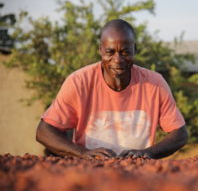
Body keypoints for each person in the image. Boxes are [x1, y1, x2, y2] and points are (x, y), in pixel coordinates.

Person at [36, 19, 188, 159]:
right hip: (90, 173)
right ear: (101, 50)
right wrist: (82, 153)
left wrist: (147, 153)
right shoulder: (79, 82)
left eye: (125, 52)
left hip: (138, 175)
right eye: (110, 52)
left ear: (134, 50)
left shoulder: (155, 84)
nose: (118, 59)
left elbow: (180, 134)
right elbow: (44, 131)